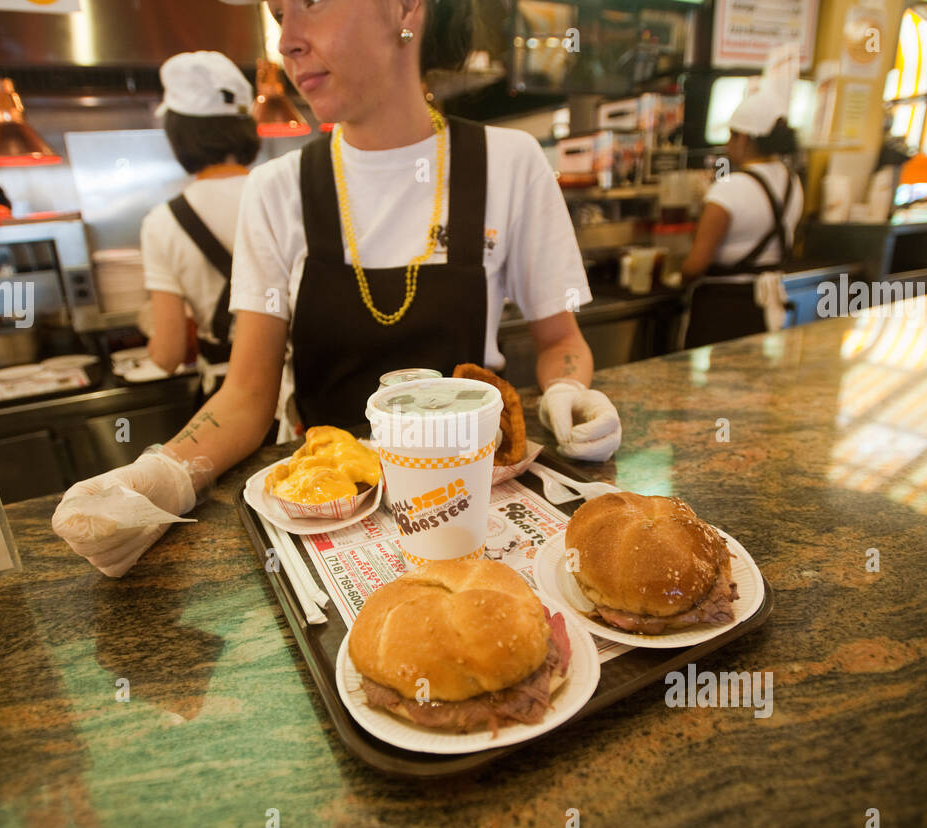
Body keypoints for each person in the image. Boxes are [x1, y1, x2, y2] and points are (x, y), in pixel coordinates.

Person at [52, 0, 623, 577]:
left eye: (311, 5)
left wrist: (569, 391)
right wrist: (164, 475)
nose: (287, 42)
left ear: (404, 8)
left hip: (468, 498)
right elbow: (248, 394)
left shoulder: (509, 163)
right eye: (278, 17)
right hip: (326, 507)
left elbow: (560, 339)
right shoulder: (277, 189)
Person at [139, 52, 260, 397]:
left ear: (178, 134)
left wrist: (151, 327)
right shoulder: (289, 191)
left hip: (231, 396)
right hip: (309, 385)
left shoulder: (162, 223)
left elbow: (168, 355)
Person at [678, 91, 802, 348]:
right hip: (765, 306)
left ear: (744, 138)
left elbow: (695, 266)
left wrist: (676, 276)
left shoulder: (730, 188)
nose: (728, 145)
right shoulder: (792, 182)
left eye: (731, 136)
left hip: (723, 310)